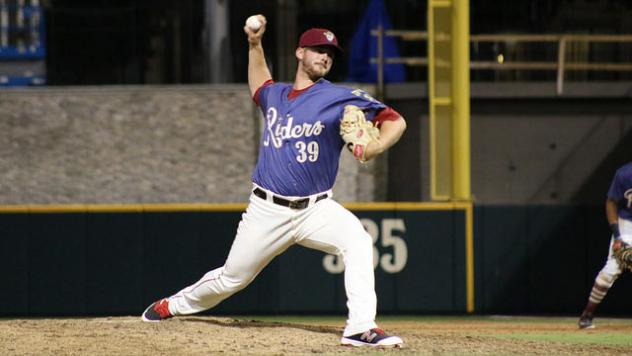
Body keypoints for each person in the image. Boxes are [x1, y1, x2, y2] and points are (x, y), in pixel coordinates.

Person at [141, 15, 407, 348]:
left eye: (330, 52)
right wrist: (254, 43)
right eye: (317, 50)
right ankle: (173, 305)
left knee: (359, 242)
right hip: (266, 210)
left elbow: (394, 120)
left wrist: (375, 146)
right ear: (300, 53)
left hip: (316, 208)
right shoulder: (276, 97)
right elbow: (259, 83)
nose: (324, 56)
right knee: (230, 279)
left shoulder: (340, 98)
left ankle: (360, 327)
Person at [578, 162, 632, 329]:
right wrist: (617, 236)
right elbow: (611, 202)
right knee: (610, 271)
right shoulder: (625, 174)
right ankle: (587, 315)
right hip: (627, 223)